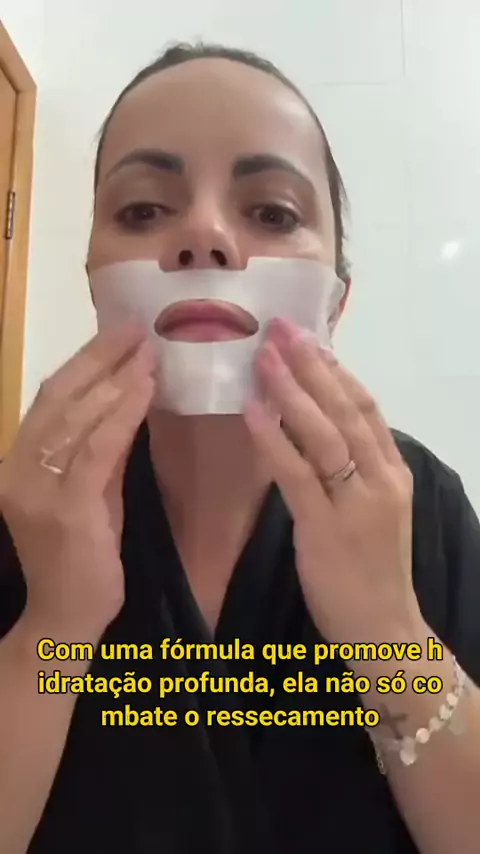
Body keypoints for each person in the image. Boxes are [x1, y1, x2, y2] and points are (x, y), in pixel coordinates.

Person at [0, 42, 479, 854]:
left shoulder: (419, 504)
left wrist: (389, 634)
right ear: (93, 283)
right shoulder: (25, 514)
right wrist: (54, 626)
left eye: (274, 213)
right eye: (143, 210)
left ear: (335, 304)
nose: (205, 236)